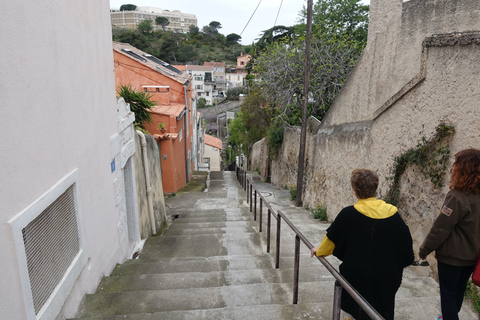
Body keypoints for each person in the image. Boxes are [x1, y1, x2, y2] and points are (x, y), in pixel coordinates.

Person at [311, 169, 414, 320]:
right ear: (376, 188)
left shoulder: (348, 214)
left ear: (354, 191)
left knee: (354, 312)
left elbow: (330, 241)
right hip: (384, 281)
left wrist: (318, 251)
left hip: (355, 279)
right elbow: (406, 251)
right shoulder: (393, 215)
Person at [419, 148, 480, 320]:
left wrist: (424, 249)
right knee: (458, 291)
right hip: (471, 256)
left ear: (465, 168)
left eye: (456, 164)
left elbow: (441, 228)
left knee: (447, 294)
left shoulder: (457, 197)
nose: (452, 168)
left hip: (452, 257)